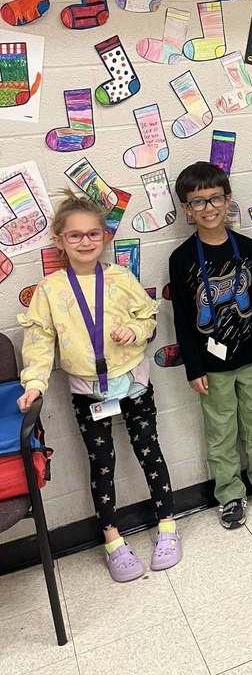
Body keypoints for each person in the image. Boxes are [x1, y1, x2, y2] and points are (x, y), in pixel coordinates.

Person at [17, 192, 181, 582]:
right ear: (59, 240)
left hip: (134, 382)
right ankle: (112, 540)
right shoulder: (50, 290)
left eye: (93, 234)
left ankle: (168, 526)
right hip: (88, 392)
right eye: (75, 236)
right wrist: (34, 383)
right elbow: (39, 342)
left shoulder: (121, 278)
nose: (85, 242)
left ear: (105, 237)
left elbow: (148, 320)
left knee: (150, 452)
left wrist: (135, 331)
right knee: (101, 463)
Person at [169, 161, 252, 528]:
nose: (208, 208)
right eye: (198, 202)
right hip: (211, 365)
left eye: (215, 198)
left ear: (228, 199)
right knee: (221, 432)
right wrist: (193, 366)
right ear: (187, 209)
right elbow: (184, 320)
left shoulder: (249, 249)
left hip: (251, 358)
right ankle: (230, 494)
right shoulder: (182, 259)